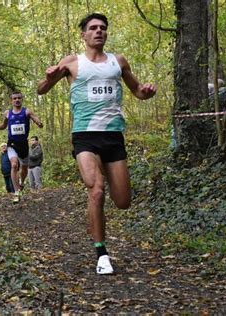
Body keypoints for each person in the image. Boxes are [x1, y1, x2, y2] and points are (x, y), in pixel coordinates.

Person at [37, 13, 157, 275]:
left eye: (103, 28)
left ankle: (94, 220)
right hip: (85, 135)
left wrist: (146, 92)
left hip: (113, 137)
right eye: (93, 28)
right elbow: (41, 90)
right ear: (84, 35)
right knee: (96, 190)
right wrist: (48, 77)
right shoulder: (72, 63)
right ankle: (101, 252)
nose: (99, 31)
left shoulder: (118, 62)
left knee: (123, 201)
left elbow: (137, 91)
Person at [0, 91, 44, 203]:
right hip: (12, 144)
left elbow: (35, 118)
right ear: (11, 100)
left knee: (24, 168)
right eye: (14, 98)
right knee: (14, 165)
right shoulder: (8, 113)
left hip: (23, 144)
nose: (17, 100)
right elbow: (3, 126)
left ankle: (22, 183)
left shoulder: (26, 111)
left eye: (19, 98)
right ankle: (16, 192)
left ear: (22, 99)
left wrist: (38, 122)